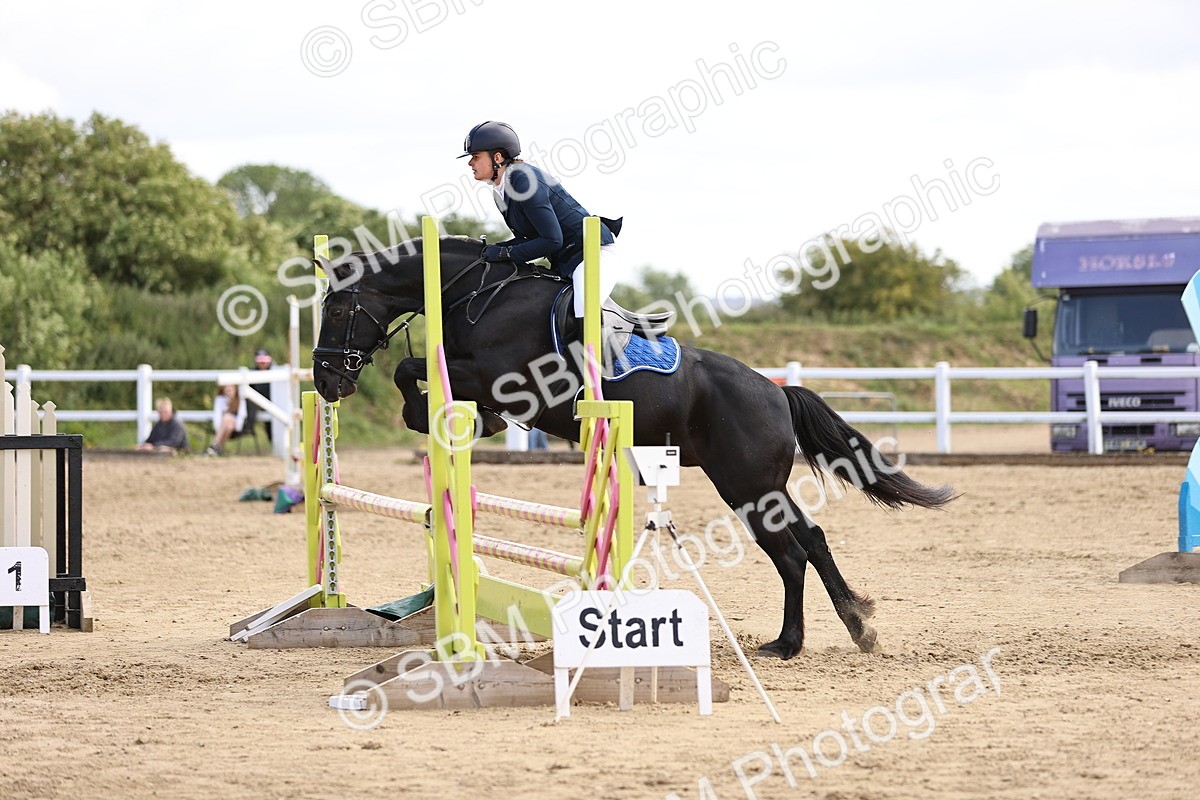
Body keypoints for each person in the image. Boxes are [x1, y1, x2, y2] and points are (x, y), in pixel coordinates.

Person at [460, 121, 624, 321]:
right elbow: (529, 239)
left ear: (497, 157)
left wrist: (505, 253)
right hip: (566, 260)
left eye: (475, 157)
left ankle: (601, 352)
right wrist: (491, 250)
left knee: (581, 315)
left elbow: (552, 240)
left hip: (593, 254)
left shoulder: (523, 180)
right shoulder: (500, 191)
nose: (470, 163)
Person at [206, 383, 251, 456]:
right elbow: (217, 415)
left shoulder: (240, 400)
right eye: (227, 388)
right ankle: (219, 449)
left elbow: (242, 416)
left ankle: (214, 444)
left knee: (227, 416)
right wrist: (219, 427)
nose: (229, 390)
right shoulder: (220, 399)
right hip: (226, 427)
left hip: (236, 426)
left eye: (231, 388)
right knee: (229, 425)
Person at [251, 348, 273, 442]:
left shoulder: (275, 371)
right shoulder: (251, 373)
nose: (262, 363)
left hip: (272, 403)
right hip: (256, 404)